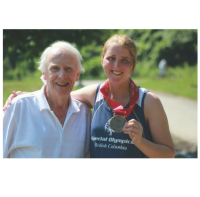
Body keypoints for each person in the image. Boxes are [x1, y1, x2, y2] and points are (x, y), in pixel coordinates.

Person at [3, 35, 176, 159]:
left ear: (133, 65)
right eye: (111, 58)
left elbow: (169, 154)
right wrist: (26, 97)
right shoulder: (94, 94)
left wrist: (141, 142)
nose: (117, 65)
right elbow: (59, 92)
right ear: (102, 61)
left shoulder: (148, 101)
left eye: (125, 60)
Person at [2, 41, 92, 159]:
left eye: (68, 69)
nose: (62, 75)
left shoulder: (85, 113)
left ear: (77, 75)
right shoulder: (19, 107)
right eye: (55, 68)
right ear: (44, 74)